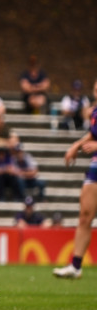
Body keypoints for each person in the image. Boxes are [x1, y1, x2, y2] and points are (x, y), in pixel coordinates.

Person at [53, 79, 97, 279]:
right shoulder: (94, 112)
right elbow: (92, 134)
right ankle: (76, 265)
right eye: (96, 88)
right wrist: (76, 145)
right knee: (85, 215)